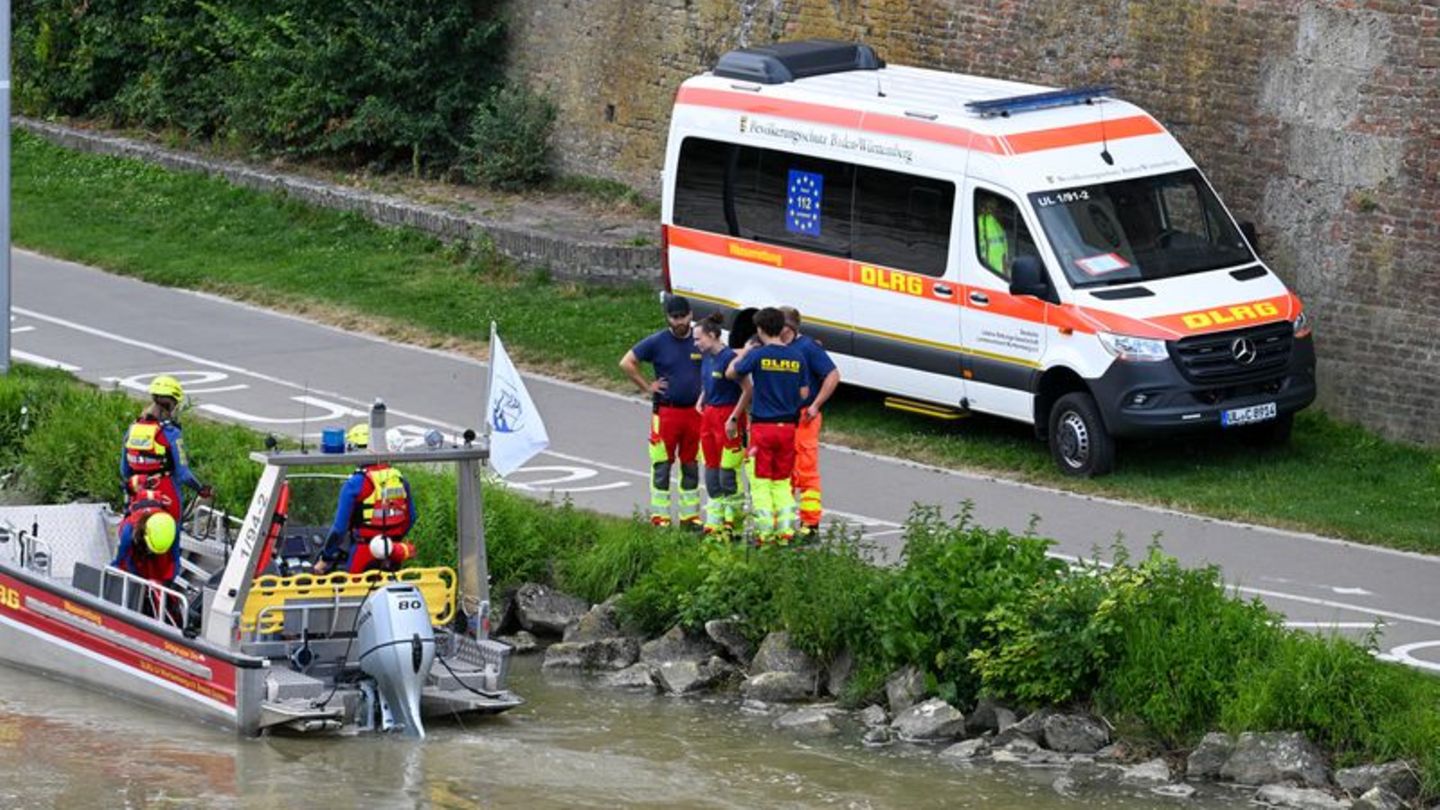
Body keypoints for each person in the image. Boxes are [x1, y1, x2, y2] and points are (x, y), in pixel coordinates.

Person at [619, 294, 704, 529]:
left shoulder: (699, 339)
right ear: (668, 318)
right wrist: (648, 387)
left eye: (682, 317)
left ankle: (689, 517)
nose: (678, 322)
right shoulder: (657, 342)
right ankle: (661, 518)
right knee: (662, 466)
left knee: (690, 465)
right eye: (674, 318)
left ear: (690, 315)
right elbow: (627, 362)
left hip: (694, 414)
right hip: (667, 412)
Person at [727, 307, 808, 545]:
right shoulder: (797, 356)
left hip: (763, 427)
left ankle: (764, 534)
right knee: (782, 481)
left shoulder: (759, 355)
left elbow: (732, 372)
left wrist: (745, 354)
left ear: (760, 329)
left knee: (761, 482)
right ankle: (785, 533)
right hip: (788, 428)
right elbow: (804, 392)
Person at [314, 424, 417, 574]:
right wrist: (392, 539)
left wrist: (325, 559)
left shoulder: (355, 484)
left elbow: (339, 529)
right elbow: (411, 518)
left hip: (363, 552)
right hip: (393, 552)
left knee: (352, 593)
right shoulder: (400, 480)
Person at [778, 307, 840, 538]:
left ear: (789, 328)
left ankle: (810, 525)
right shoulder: (773, 346)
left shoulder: (808, 348)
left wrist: (816, 405)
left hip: (804, 416)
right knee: (782, 471)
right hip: (780, 417)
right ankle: (783, 523)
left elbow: (832, 375)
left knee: (805, 470)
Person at [120, 375, 209, 523]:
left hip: (138, 495)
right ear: (172, 404)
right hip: (166, 495)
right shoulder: (171, 433)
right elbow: (183, 474)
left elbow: (124, 470)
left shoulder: (132, 429)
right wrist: (200, 489)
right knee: (172, 538)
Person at [694, 314, 745, 538]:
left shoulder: (729, 358)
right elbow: (708, 382)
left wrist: (734, 417)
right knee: (711, 473)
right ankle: (713, 525)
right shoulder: (706, 357)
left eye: (699, 339)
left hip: (727, 415)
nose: (696, 344)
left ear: (713, 336)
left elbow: (747, 389)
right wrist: (702, 397)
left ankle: (733, 525)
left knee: (727, 475)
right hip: (709, 416)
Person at [112, 497, 182, 624]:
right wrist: (140, 581)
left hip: (156, 540)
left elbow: (175, 558)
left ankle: (166, 613)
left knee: (160, 573)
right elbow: (123, 560)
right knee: (130, 569)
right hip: (137, 541)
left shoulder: (172, 528)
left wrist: (167, 582)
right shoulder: (128, 531)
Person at [977, 195, 1011, 276]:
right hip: (989, 272)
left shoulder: (996, 224)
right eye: (992, 207)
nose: (998, 210)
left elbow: (1003, 252)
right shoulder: (983, 222)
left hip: (996, 273)